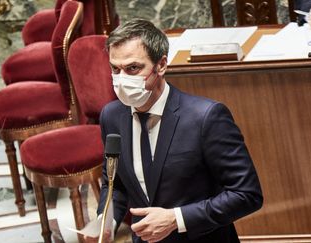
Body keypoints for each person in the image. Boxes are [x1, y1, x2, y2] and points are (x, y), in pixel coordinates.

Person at [91, 19, 263, 243]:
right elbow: (115, 184)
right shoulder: (111, 116)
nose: (123, 79)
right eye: (115, 69)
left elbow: (247, 195)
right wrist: (106, 222)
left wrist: (176, 219)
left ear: (161, 65)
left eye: (133, 68)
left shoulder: (206, 117)